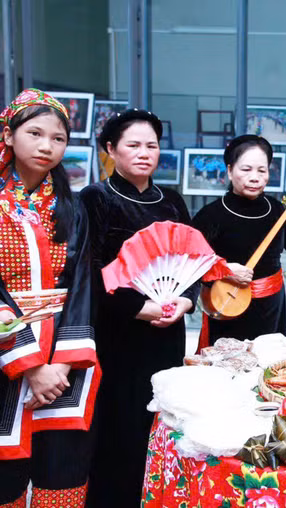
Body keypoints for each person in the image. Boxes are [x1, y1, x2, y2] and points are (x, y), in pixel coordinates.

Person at [81, 109, 199, 507]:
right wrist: (140, 307)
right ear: (111, 149)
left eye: (152, 145)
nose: (144, 152)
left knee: (162, 420)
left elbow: (192, 259)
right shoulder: (96, 198)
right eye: (133, 145)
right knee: (119, 425)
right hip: (119, 333)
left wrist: (186, 300)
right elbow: (91, 271)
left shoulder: (172, 200)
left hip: (168, 331)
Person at [0, 89, 97, 507]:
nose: (47, 146)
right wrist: (29, 364)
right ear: (8, 135)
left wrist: (59, 364)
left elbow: (82, 285)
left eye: (58, 138)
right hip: (6, 354)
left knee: (61, 470)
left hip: (63, 358)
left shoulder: (71, 207)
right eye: (35, 133)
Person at [193, 135, 286, 343]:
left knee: (268, 356)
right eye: (246, 169)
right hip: (228, 305)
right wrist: (225, 269)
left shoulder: (276, 209)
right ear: (230, 171)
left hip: (271, 305)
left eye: (262, 170)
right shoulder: (211, 215)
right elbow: (190, 263)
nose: (254, 177)